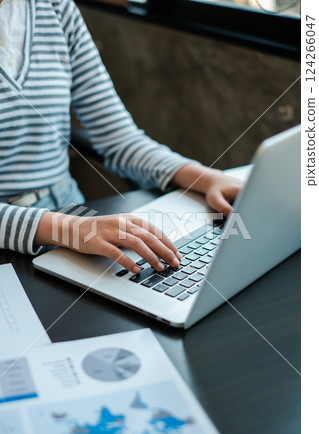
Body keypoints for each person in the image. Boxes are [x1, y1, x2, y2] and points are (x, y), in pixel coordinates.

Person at [0, 0, 242, 274]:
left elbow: (119, 138)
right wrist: (69, 229)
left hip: (73, 214)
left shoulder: (55, 7)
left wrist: (204, 177)